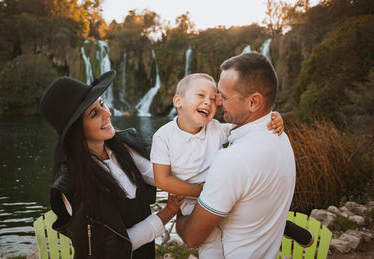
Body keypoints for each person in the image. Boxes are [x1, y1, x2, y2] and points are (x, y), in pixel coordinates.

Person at [39, 70, 184, 259]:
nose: (107, 113)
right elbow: (119, 244)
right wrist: (168, 211)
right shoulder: (74, 185)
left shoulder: (123, 146)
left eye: (102, 104)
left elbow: (157, 176)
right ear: (76, 130)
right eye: (94, 113)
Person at [176, 51, 297, 258]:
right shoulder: (279, 137)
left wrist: (177, 210)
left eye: (223, 95)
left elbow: (191, 237)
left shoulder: (233, 160)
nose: (216, 100)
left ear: (253, 102)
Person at [151, 73, 285, 258]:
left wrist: (272, 117)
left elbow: (249, 127)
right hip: (190, 199)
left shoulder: (216, 128)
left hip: (221, 195)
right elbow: (162, 180)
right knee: (210, 244)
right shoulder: (163, 136)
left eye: (213, 99)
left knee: (236, 229)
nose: (208, 102)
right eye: (200, 95)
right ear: (178, 101)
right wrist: (200, 191)